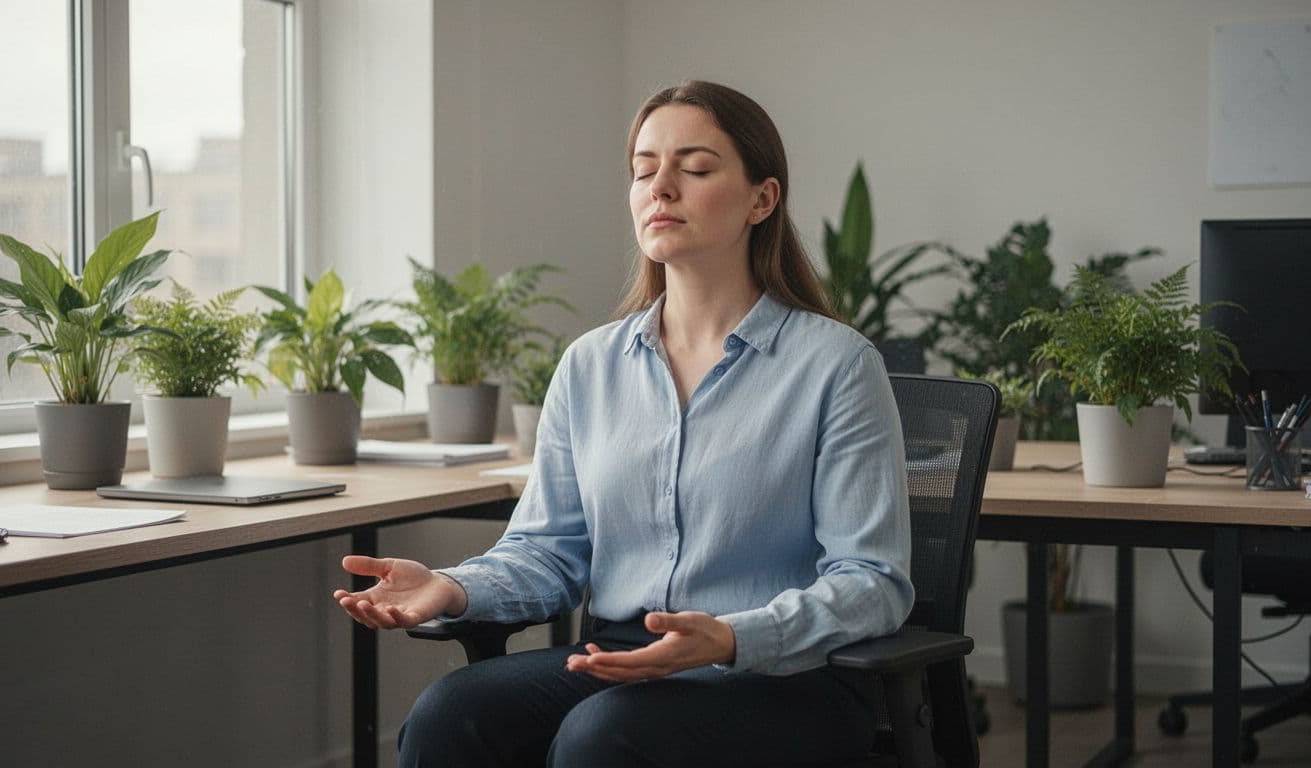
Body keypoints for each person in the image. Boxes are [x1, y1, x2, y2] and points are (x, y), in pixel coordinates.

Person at [333, 80, 914, 767]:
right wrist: (454, 588)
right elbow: (548, 552)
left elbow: (873, 581)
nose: (660, 188)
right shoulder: (590, 366)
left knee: (603, 737)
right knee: (450, 713)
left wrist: (729, 637)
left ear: (763, 198)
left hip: (784, 677)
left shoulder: (837, 366)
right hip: (618, 657)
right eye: (643, 170)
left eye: (694, 169)